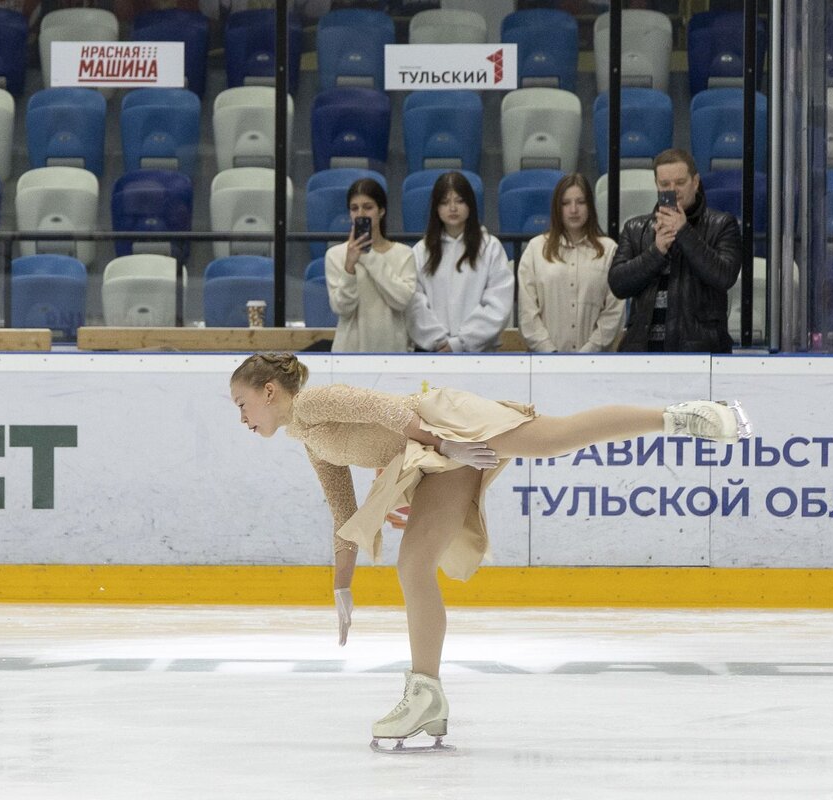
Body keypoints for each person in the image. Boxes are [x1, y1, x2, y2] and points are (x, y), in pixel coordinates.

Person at [228, 352, 753, 752]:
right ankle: (426, 695)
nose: (243, 419)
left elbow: (384, 408)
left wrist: (448, 443)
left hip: (441, 426)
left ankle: (687, 417)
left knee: (554, 437)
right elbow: (342, 513)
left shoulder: (314, 404)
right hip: (436, 453)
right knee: (414, 566)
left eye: (242, 405)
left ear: (270, 391)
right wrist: (342, 585)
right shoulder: (309, 439)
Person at [607, 148, 743, 353]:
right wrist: (656, 252)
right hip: (643, 352)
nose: (673, 190)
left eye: (680, 183)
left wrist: (684, 232)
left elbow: (724, 276)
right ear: (656, 185)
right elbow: (618, 284)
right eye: (665, 184)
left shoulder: (722, 224)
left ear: (695, 182)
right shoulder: (635, 228)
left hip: (700, 353)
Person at [407, 172, 514, 353]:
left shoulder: (490, 248)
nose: (453, 208)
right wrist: (439, 341)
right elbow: (414, 302)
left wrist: (460, 343)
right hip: (433, 354)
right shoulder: (421, 250)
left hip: (480, 354)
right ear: (436, 208)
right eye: (445, 202)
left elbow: (498, 304)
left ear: (470, 204)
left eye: (459, 201)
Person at [517, 172, 625, 353]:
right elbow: (527, 312)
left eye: (581, 202)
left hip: (595, 364)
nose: (573, 209)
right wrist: (550, 353)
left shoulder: (609, 250)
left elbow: (614, 311)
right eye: (566, 203)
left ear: (590, 205)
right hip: (544, 364)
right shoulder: (535, 249)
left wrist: (587, 354)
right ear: (556, 208)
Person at [324, 178, 416, 353]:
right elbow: (341, 308)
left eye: (368, 207)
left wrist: (369, 257)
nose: (360, 214)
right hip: (349, 353)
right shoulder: (335, 255)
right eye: (354, 208)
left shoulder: (404, 254)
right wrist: (349, 267)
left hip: (393, 353)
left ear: (381, 211)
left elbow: (401, 300)